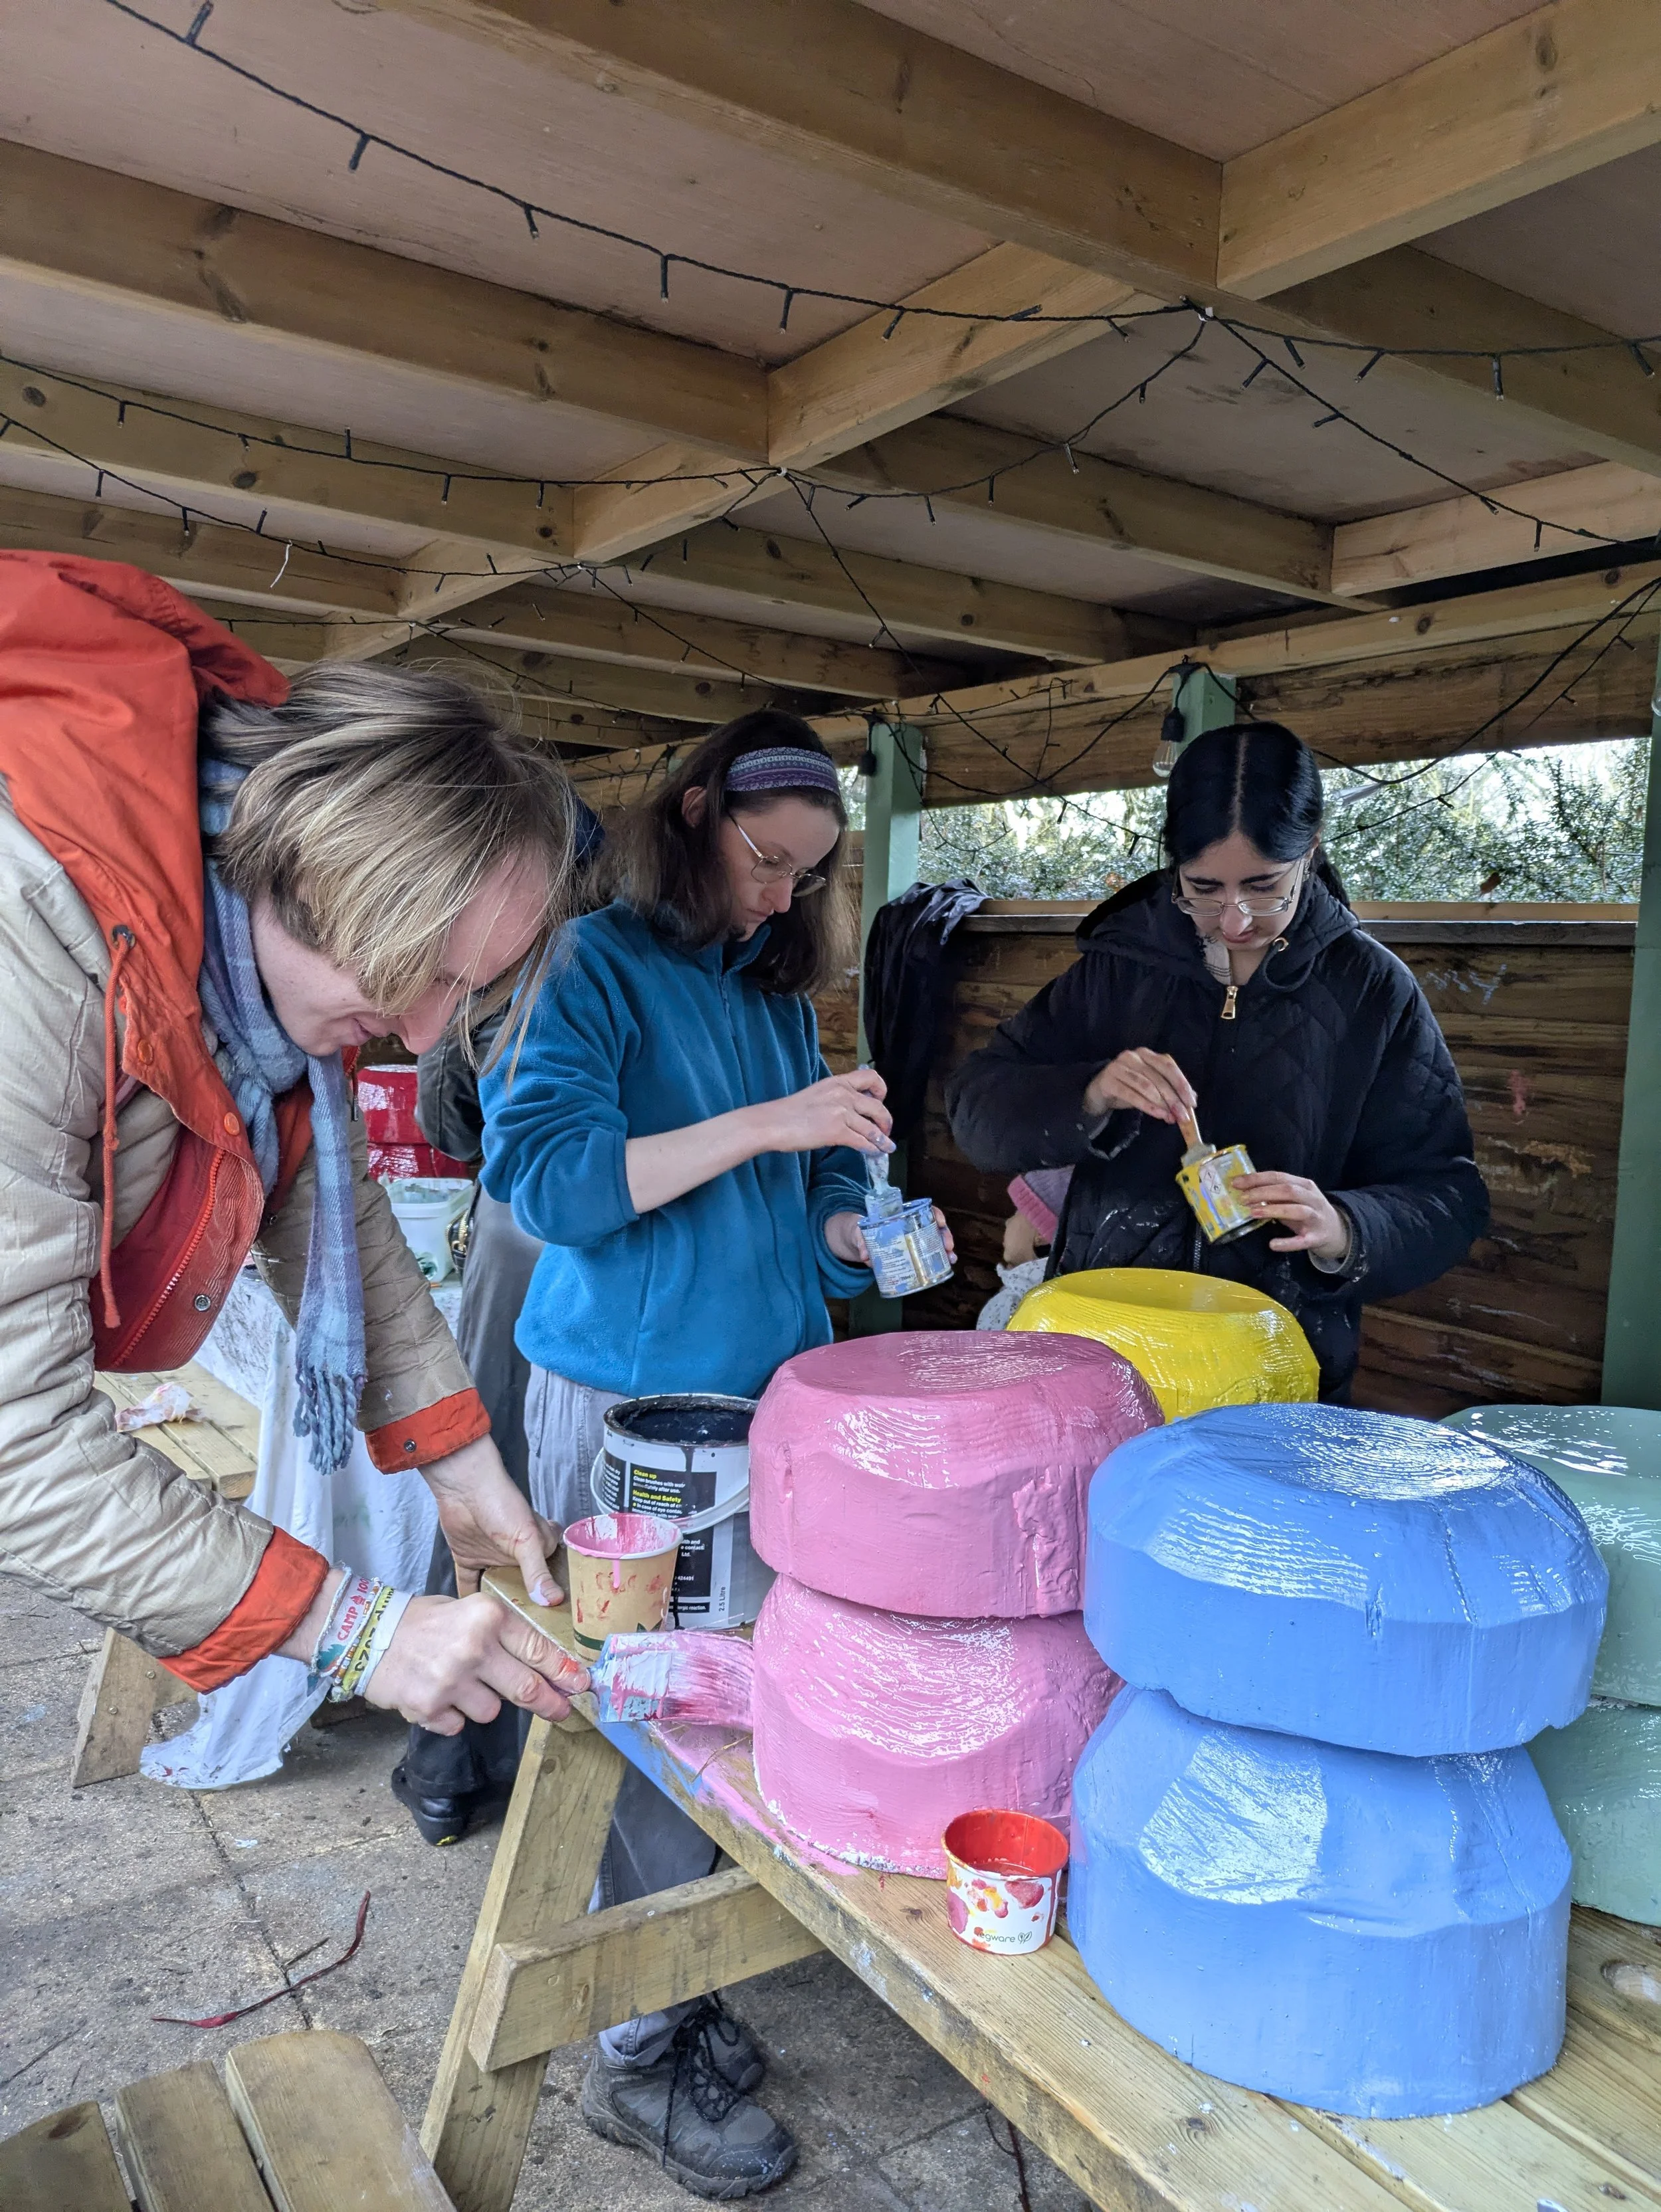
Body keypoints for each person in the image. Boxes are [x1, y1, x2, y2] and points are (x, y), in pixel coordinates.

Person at [0, 551, 587, 1742]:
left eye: (465, 992)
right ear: (325, 883)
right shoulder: (37, 932)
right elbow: (15, 1444)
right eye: (422, 975)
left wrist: (461, 1463)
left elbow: (325, 1205)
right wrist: (356, 1624)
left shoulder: (241, 973)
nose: (423, 1035)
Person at [482, 710, 949, 2199]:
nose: (778, 900)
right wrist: (766, 1124)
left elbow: (812, 1179)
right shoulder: (594, 961)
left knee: (722, 1706)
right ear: (691, 816)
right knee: (630, 1718)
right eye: (765, 863)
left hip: (762, 1407)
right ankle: (635, 2051)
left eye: (807, 879)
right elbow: (551, 1181)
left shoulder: (767, 989)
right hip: (628, 1411)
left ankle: (674, 1980)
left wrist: (855, 1222)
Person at [947, 721, 1488, 1397]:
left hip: (1269, 1369)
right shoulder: (1117, 969)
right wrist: (1088, 1093)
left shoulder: (1370, 990)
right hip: (1101, 1360)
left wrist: (1345, 1226)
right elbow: (974, 1108)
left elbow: (1447, 1193)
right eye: (1203, 888)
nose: (1234, 919)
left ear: (1311, 852)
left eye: (1264, 886)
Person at [393, 783, 603, 1847]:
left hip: (519, 1241)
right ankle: (493, 1751)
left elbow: (443, 1115)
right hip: (581, 1257)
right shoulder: (619, 966)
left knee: (488, 1491)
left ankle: (445, 1767)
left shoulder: (506, 970)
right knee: (516, 1505)